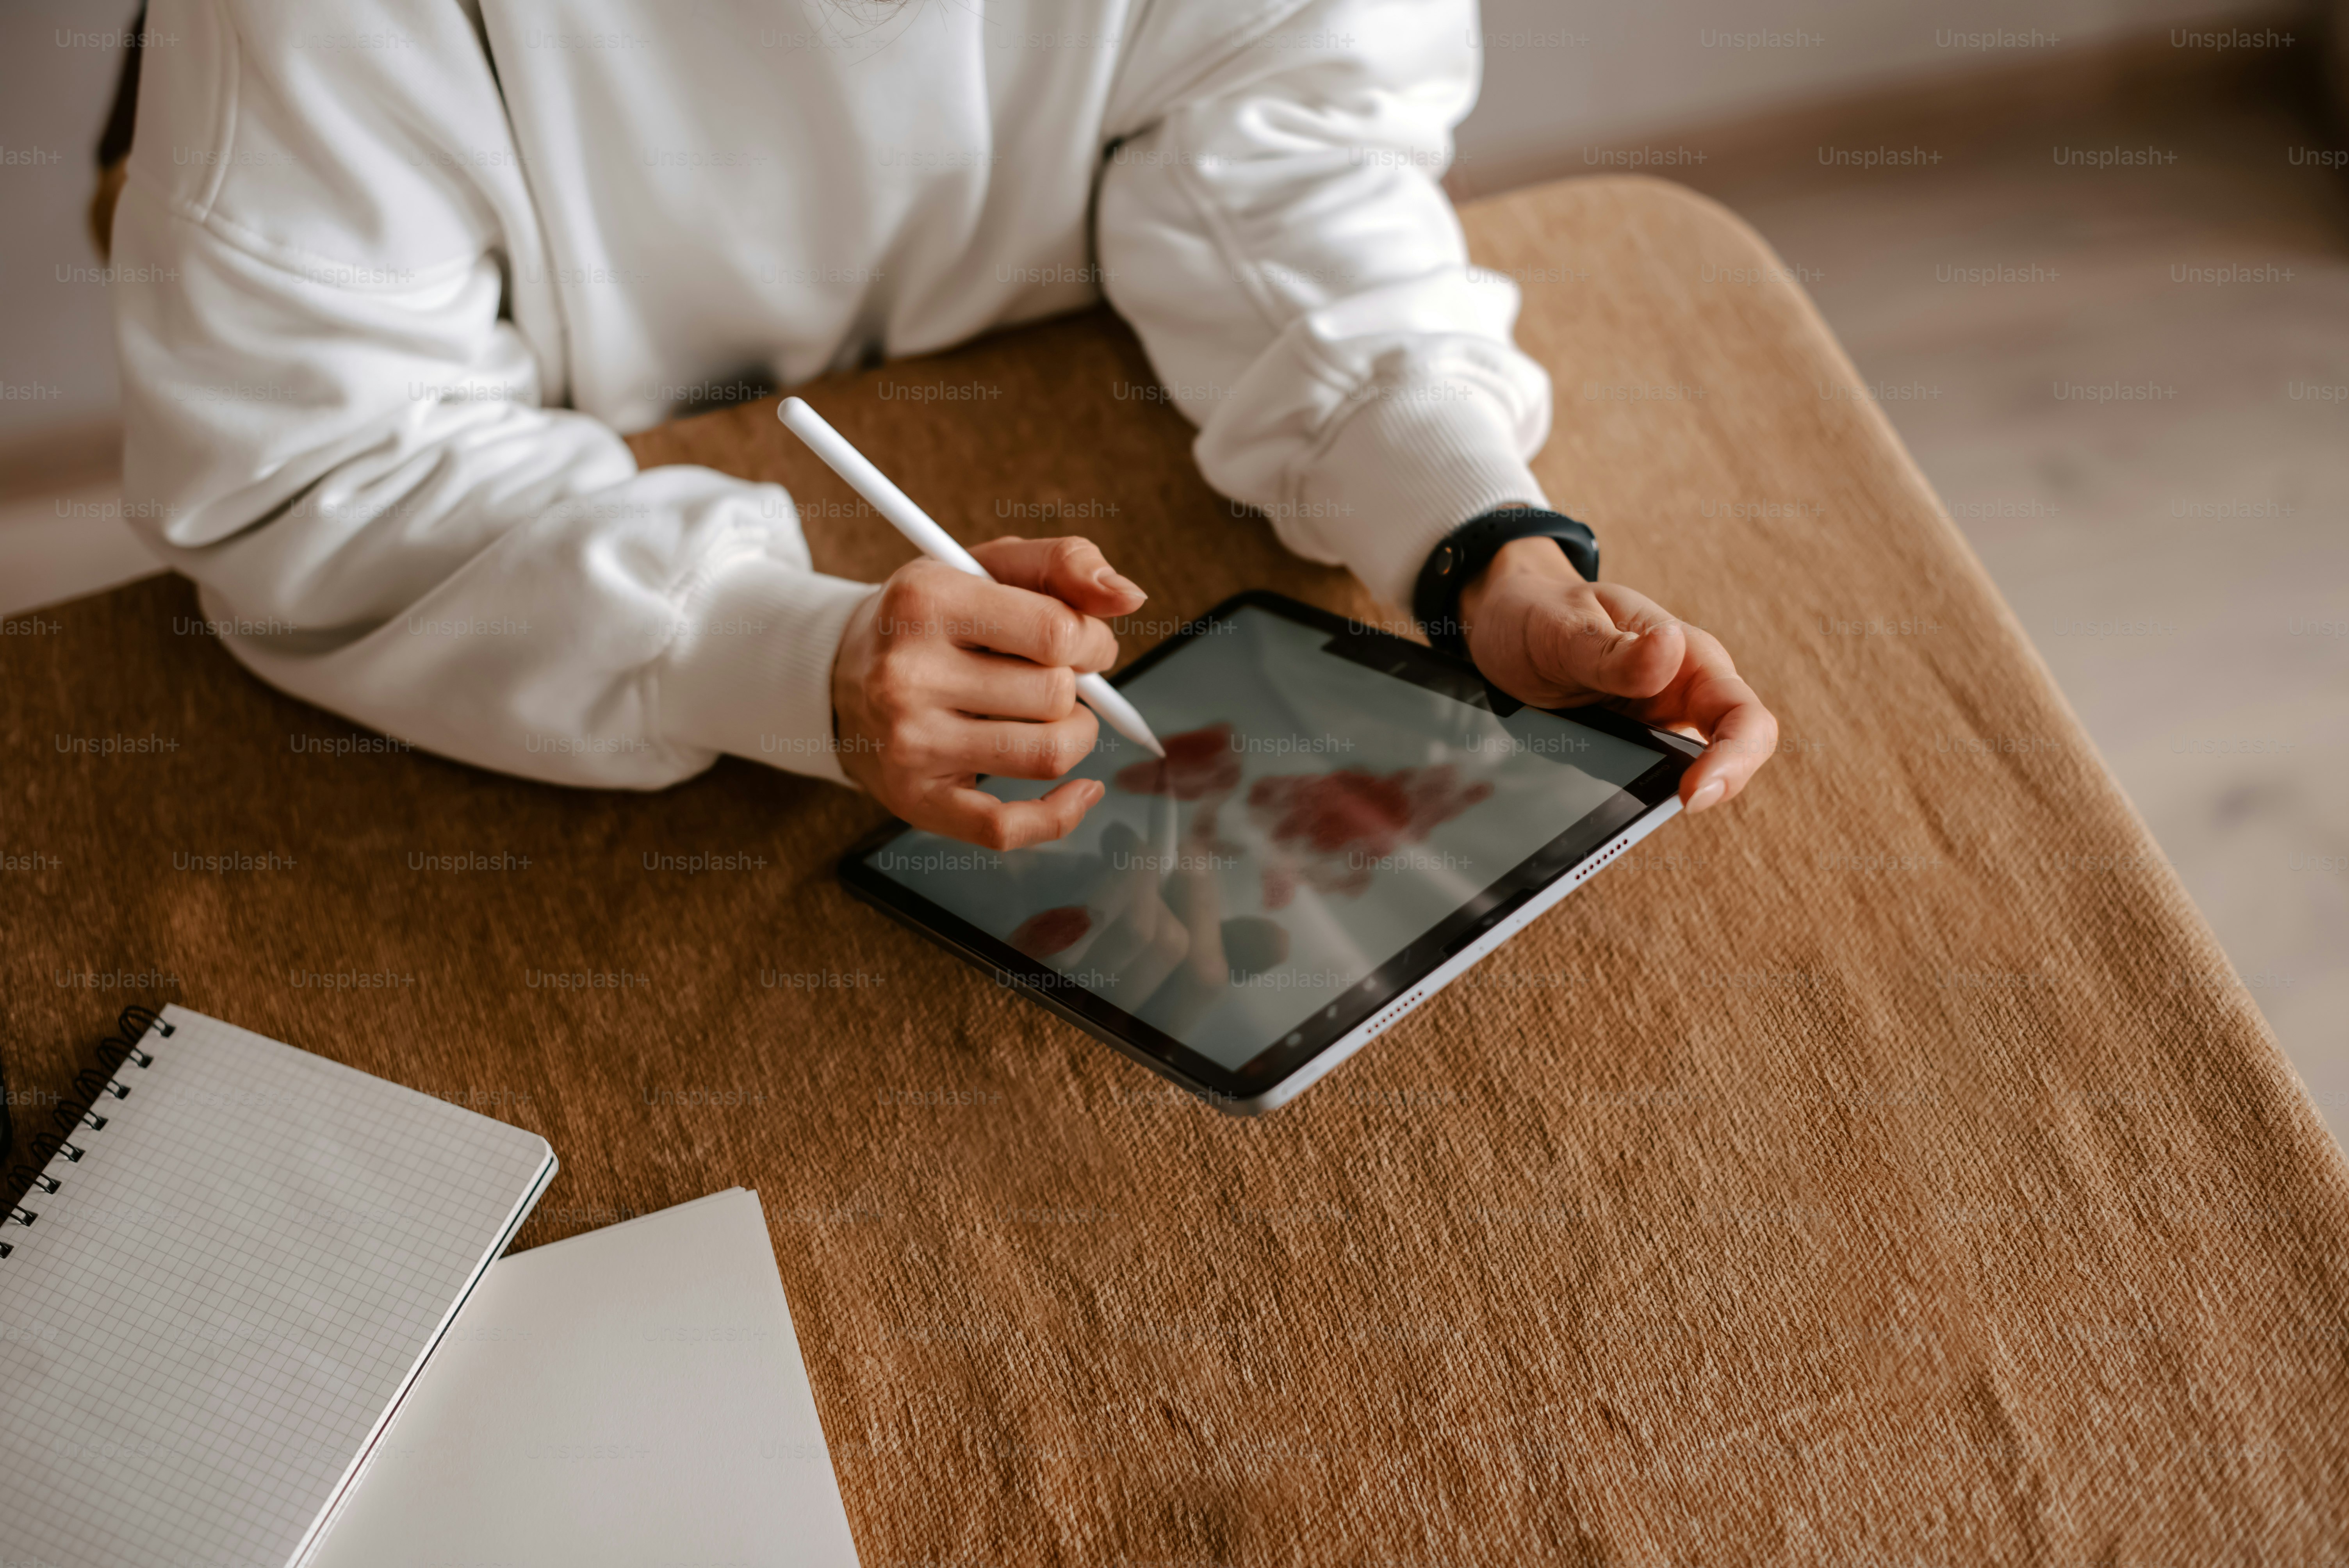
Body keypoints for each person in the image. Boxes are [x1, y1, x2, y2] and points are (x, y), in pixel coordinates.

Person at [111, 0, 1775, 850]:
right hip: (559, 547)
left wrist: (1474, 533)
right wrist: (770, 651)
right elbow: (323, 465)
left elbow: (1276, 142)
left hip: (1069, 382)